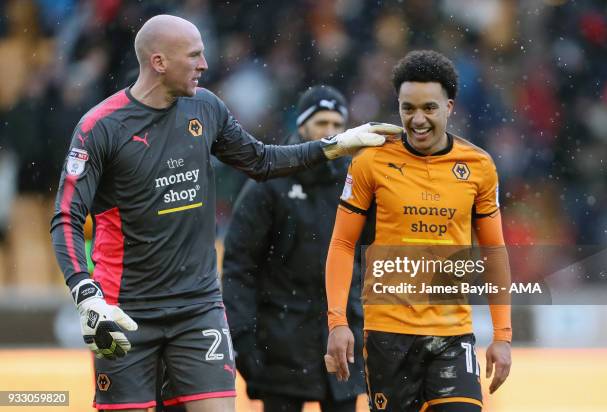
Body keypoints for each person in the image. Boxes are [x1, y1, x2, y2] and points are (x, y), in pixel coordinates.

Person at [49, 14, 402, 412]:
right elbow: (66, 216)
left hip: (198, 308)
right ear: (159, 62)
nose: (204, 64)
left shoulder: (206, 108)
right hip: (124, 311)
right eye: (195, 55)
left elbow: (262, 161)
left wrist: (336, 145)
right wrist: (85, 293)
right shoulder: (100, 127)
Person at [324, 50, 512, 411]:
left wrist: (502, 336)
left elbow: (494, 252)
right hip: (387, 335)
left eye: (429, 108)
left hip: (452, 334)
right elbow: (343, 243)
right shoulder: (370, 162)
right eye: (408, 108)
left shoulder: (479, 167)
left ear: (450, 107)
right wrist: (337, 322)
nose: (418, 119)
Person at [222, 85, 366, 412]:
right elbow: (238, 266)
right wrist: (244, 339)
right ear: (302, 126)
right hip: (279, 346)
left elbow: (369, 258)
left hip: (341, 341)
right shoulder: (270, 181)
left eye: (336, 124)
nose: (329, 132)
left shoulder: (355, 182)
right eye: (321, 123)